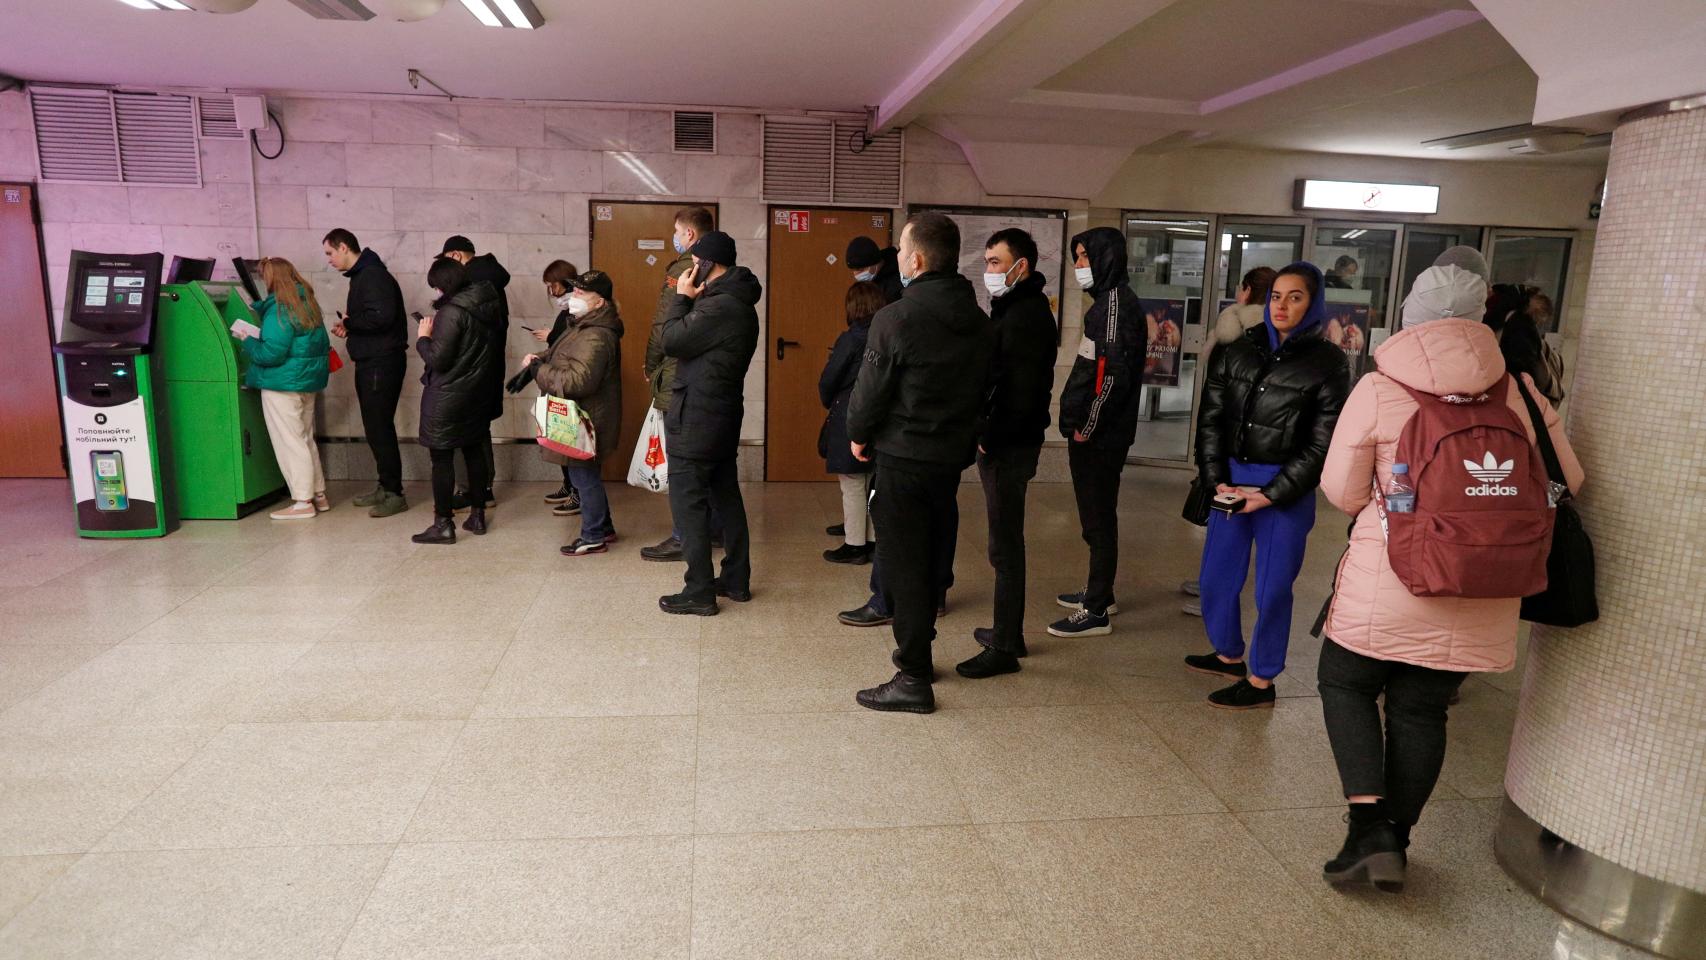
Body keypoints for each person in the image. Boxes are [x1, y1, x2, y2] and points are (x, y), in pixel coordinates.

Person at [1314, 263, 1583, 891]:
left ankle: (1369, 828)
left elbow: (1341, 491)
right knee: (1422, 709)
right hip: (1490, 582)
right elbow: (1571, 480)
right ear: (1480, 318)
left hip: (1393, 575)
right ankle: (1394, 839)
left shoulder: (1380, 389)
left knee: (1345, 682)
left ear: (1409, 317)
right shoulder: (1519, 389)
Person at [1186, 262, 1349, 708]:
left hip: (1283, 492)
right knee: (1216, 578)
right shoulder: (1237, 349)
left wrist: (1272, 493)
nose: (1281, 306)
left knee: (1272, 588)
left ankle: (1262, 679)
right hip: (1231, 484)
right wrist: (1215, 479)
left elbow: (1323, 444)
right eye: (1276, 296)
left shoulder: (1328, 363)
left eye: (1295, 297)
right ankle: (1228, 654)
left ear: (1312, 303)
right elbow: (1211, 420)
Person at [849, 212, 993, 714]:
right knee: (931, 556)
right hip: (948, 458)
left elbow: (869, 394)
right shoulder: (978, 320)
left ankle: (912, 677)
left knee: (905, 566)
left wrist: (857, 436)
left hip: (903, 455)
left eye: (901, 250)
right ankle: (921, 653)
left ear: (917, 259)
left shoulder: (896, 317)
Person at [957, 226, 1056, 678]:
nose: (988, 271)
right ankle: (1006, 631)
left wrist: (987, 435)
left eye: (996, 263)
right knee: (1003, 542)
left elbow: (1018, 392)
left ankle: (1005, 645)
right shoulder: (1013, 307)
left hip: (1009, 444)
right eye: (987, 263)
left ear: (1022, 266)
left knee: (1004, 546)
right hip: (1005, 439)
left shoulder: (1026, 316)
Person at [656, 231, 762, 615]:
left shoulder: (721, 307)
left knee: (689, 503)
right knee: (726, 497)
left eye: (693, 262)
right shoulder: (732, 301)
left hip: (698, 417)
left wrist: (682, 297)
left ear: (706, 264)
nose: (688, 270)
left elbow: (671, 340)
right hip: (718, 414)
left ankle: (699, 590)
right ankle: (735, 579)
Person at [1050, 226, 1145, 639]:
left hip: (1100, 436)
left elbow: (1110, 379)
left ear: (1108, 258)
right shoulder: (1106, 303)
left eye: (1086, 257)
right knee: (1095, 517)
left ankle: (1096, 609)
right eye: (1077, 257)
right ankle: (1098, 592)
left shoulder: (1115, 308)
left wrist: (1086, 426)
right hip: (1096, 432)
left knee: (1098, 517)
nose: (1079, 266)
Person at [1182, 265, 1278, 616]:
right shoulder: (1275, 336)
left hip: (1228, 442)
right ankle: (1209, 583)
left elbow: (1217, 399)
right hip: (1251, 444)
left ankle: (1213, 594)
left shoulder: (1234, 330)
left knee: (1226, 521)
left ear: (1248, 290)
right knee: (1228, 521)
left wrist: (1210, 449)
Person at [642, 206, 719, 562]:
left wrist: (651, 363)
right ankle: (712, 527)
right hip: (708, 376)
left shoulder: (682, 268)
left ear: (689, 235)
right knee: (708, 461)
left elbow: (664, 324)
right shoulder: (719, 267)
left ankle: (682, 535)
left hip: (677, 373)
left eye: (676, 231)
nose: (674, 237)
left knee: (682, 463)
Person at [527, 269, 623, 556]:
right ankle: (603, 527)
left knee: (584, 477)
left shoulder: (597, 335)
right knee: (586, 474)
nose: (574, 296)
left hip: (587, 419)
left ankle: (593, 535)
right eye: (575, 291)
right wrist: (541, 359)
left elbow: (579, 381)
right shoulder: (580, 326)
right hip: (580, 416)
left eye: (582, 293)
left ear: (600, 303)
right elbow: (562, 354)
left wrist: (539, 370)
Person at [411, 256, 500, 545]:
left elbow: (439, 358)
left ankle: (443, 524)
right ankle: (477, 515)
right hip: (476, 392)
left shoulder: (452, 312)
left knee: (441, 459)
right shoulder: (486, 304)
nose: (435, 291)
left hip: (447, 396)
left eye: (436, 286)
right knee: (473, 452)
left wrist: (423, 337)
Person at [322, 229, 408, 518]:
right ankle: (385, 485)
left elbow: (381, 317)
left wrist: (353, 323)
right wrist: (351, 326)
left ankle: (395, 493)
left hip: (380, 364)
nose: (329, 260)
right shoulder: (365, 275)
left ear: (344, 247)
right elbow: (373, 318)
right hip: (374, 360)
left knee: (379, 427)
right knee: (375, 427)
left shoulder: (372, 275)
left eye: (330, 253)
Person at [244, 257, 332, 521]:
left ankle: (303, 502)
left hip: (282, 384)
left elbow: (271, 353)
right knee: (305, 438)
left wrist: (247, 342)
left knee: (291, 442)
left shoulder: (280, 310)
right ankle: (319, 495)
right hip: (306, 382)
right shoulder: (308, 303)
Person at [438, 235, 510, 512]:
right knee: (478, 429)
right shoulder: (489, 283)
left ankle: (472, 490)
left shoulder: (471, 287)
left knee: (467, 431)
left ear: (455, 255)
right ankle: (482, 490)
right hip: (486, 367)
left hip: (468, 370)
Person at [817, 281, 883, 565]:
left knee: (852, 482)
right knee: (870, 481)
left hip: (850, 412)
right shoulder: (886, 335)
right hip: (880, 415)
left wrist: (829, 400)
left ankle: (855, 544)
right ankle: (870, 539)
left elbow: (829, 380)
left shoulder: (850, 339)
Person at [535, 259, 582, 517]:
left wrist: (550, 337)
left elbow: (568, 342)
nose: (551, 291)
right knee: (559, 438)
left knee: (568, 441)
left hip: (565, 381)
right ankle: (568, 486)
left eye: (552, 285)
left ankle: (576, 491)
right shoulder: (567, 309)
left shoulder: (575, 309)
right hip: (557, 379)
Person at [845, 235, 904, 305]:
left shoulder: (901, 276)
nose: (856, 274)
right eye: (853, 270)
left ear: (874, 264)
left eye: (860, 269)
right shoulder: (870, 284)